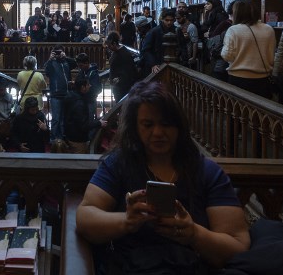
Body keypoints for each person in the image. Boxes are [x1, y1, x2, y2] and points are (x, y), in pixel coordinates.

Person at [75, 81, 250, 274]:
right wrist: (126, 221)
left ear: (179, 126)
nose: (158, 133)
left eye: (166, 124)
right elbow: (85, 217)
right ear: (135, 127)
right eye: (148, 125)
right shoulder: (119, 164)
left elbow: (238, 246)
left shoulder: (207, 172)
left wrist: (194, 234)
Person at [221, 0, 276, 99]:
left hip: (239, 78)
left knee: (238, 111)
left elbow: (227, 55)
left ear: (236, 13)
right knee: (260, 112)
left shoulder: (233, 30)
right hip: (263, 79)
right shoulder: (268, 29)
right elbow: (271, 55)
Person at [63, 76, 107, 153]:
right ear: (83, 87)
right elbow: (83, 125)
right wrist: (98, 123)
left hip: (70, 135)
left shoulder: (70, 96)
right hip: (78, 140)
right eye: (88, 84)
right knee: (79, 162)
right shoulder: (79, 103)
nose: (90, 86)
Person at [44, 44, 76, 141]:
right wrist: (50, 59)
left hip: (66, 94)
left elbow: (75, 63)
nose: (58, 54)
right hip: (56, 95)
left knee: (64, 119)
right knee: (56, 119)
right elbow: (47, 72)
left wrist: (66, 57)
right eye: (56, 52)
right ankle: (53, 139)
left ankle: (62, 138)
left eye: (60, 52)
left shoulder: (66, 61)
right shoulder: (51, 62)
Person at [140, 9, 176, 76]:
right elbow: (146, 50)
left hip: (173, 64)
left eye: (171, 20)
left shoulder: (177, 30)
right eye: (167, 20)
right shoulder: (154, 31)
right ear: (162, 19)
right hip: (157, 65)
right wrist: (153, 64)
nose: (169, 23)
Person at [106, 31, 138, 102]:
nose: (109, 48)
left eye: (109, 46)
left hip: (123, 88)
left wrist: (119, 79)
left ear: (114, 44)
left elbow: (129, 72)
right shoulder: (115, 52)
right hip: (117, 87)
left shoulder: (124, 54)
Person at [75, 52, 101, 118]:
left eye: (81, 66)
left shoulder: (93, 73)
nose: (80, 68)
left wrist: (86, 90)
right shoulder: (82, 71)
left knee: (89, 120)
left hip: (90, 101)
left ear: (86, 63)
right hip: (82, 101)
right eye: (79, 66)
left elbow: (98, 89)